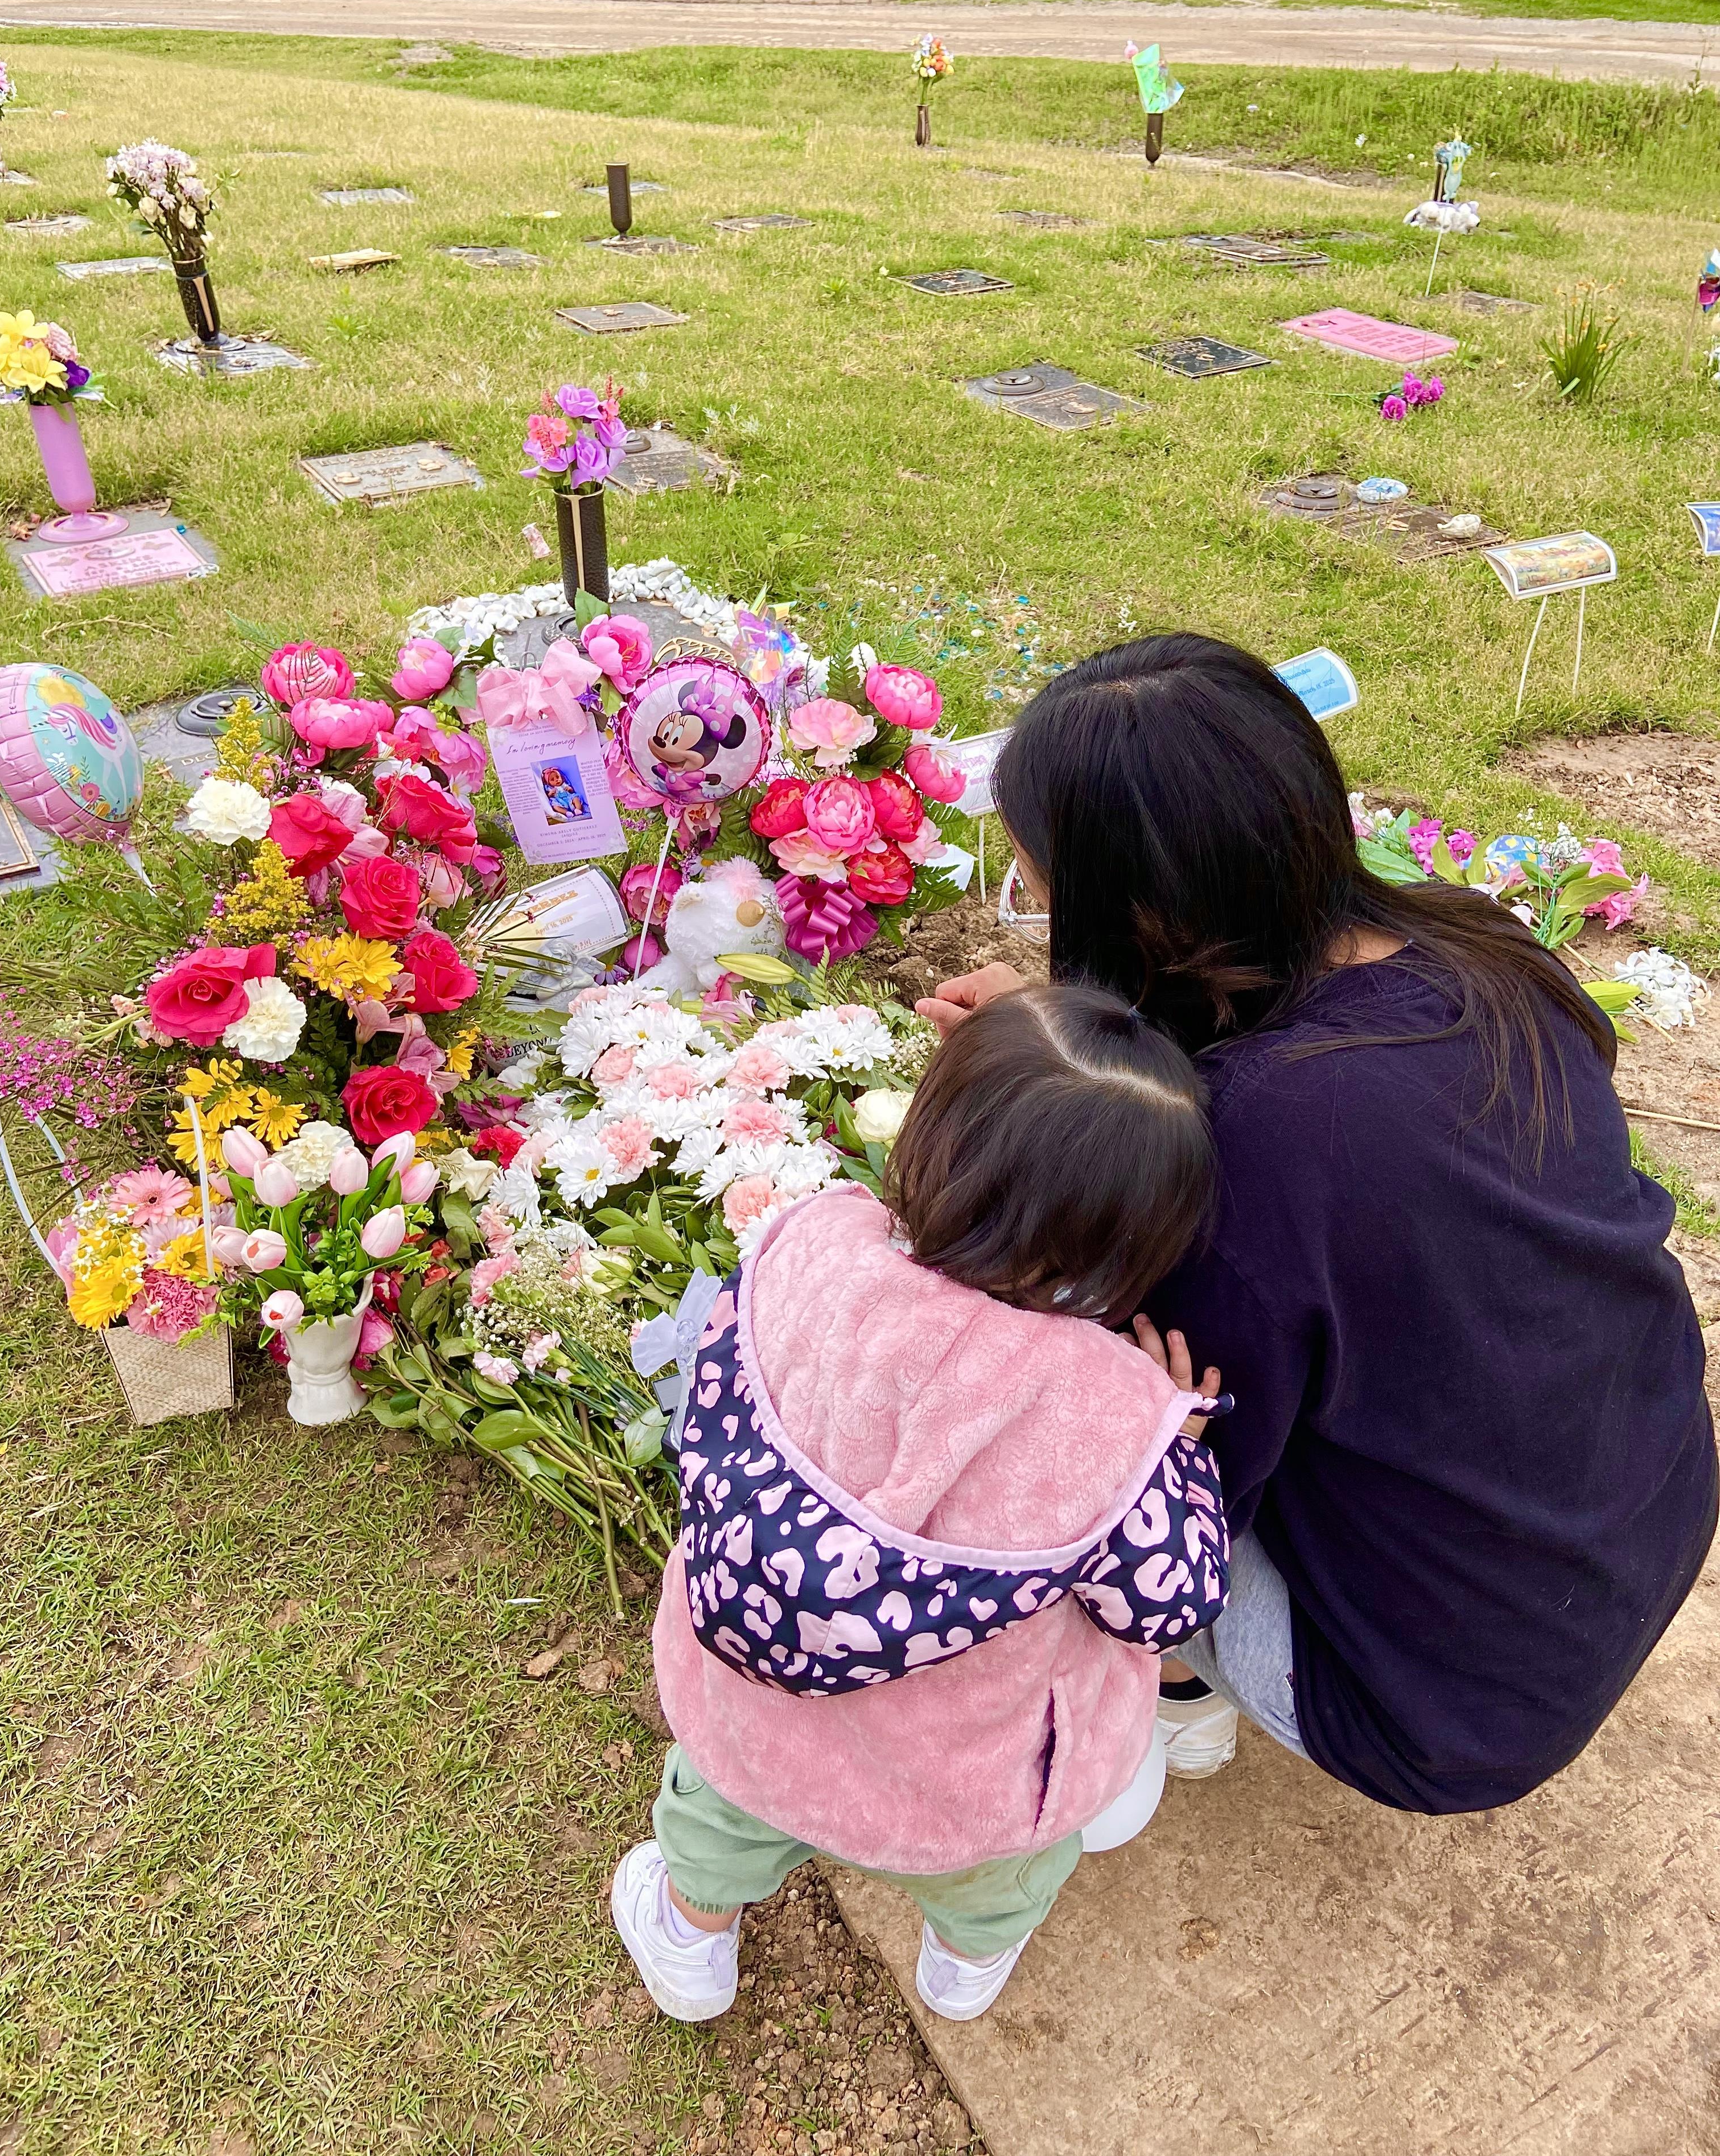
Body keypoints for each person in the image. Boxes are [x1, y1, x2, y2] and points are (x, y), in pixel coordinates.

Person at [922, 632, 1717, 1815]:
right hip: (1640, 1521)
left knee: (1078, 1424)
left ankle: (1148, 1719)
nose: (1033, 897)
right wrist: (1068, 1034)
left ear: (1138, 910)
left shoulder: (1249, 1143)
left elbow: (1176, 1503)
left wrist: (1042, 1108)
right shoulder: (1475, 948)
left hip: (1439, 1714)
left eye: (1042, 882)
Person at [612, 985, 1229, 2024]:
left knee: (716, 1827)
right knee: (997, 1885)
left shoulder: (806, 1246)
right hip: (966, 1782)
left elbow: (711, 1406)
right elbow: (1169, 1605)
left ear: (932, 1131)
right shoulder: (1110, 1415)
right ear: (1136, 1242)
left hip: (752, 1722)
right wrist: (1177, 1447)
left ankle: (689, 1944)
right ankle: (965, 1967)